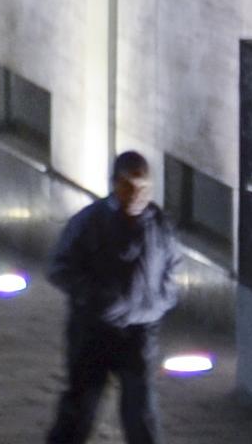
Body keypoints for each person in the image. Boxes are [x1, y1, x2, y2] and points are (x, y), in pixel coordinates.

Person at [44, 151, 185, 444]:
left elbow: (173, 266)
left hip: (139, 332)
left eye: (142, 187)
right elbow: (59, 267)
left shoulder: (159, 225)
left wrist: (158, 302)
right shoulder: (89, 222)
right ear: (114, 185)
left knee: (140, 411)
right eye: (127, 186)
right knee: (81, 406)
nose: (135, 194)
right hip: (93, 329)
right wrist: (96, 299)